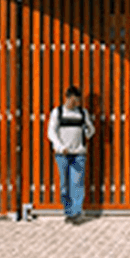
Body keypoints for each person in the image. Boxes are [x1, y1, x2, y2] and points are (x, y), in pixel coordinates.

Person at [47, 85, 95, 224]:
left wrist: (86, 134)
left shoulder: (82, 113)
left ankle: (76, 213)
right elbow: (51, 132)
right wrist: (60, 147)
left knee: (77, 184)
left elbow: (91, 129)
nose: (75, 104)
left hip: (78, 154)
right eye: (73, 101)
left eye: (77, 101)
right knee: (64, 185)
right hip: (62, 154)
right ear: (67, 98)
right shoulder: (58, 112)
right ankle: (68, 212)